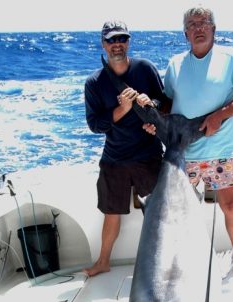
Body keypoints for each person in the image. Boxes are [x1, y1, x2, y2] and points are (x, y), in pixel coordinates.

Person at [149, 6, 233, 275]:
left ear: (213, 29)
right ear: (185, 33)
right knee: (179, 212)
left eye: (204, 23)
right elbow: (168, 102)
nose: (198, 28)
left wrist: (219, 116)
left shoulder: (231, 57)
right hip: (183, 153)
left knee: (231, 205)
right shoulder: (175, 64)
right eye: (192, 24)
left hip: (220, 149)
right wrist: (151, 114)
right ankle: (178, 263)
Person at [83, 21, 166, 277]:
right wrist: (122, 109)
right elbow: (95, 124)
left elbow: (164, 100)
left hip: (148, 156)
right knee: (111, 213)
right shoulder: (94, 83)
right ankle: (103, 261)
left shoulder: (145, 68)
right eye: (111, 40)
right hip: (114, 158)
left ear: (128, 42)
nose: (117, 44)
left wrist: (149, 102)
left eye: (122, 38)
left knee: (155, 215)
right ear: (103, 44)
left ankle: (160, 265)